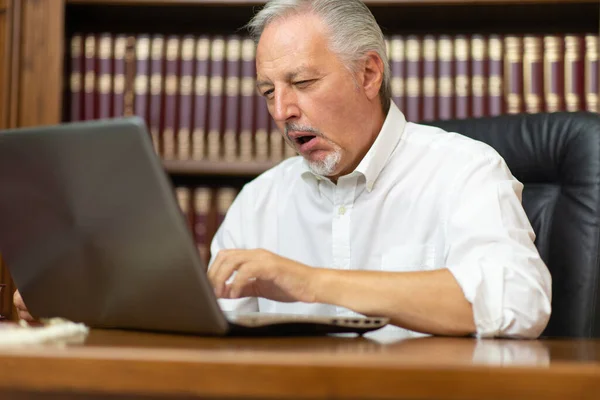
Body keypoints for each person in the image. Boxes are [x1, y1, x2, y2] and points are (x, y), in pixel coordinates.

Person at [16, 0, 552, 338]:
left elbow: (520, 301)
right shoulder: (262, 198)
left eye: (302, 83)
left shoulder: (463, 170)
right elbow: (208, 326)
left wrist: (309, 282)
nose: (281, 111)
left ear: (369, 74)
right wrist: (79, 313)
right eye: (269, 91)